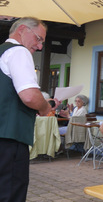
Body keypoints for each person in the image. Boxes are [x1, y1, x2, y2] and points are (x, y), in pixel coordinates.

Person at [0, 17, 60, 201]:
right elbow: (29, 96)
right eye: (38, 38)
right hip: (8, 140)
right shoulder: (18, 51)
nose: (40, 46)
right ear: (23, 30)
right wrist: (44, 108)